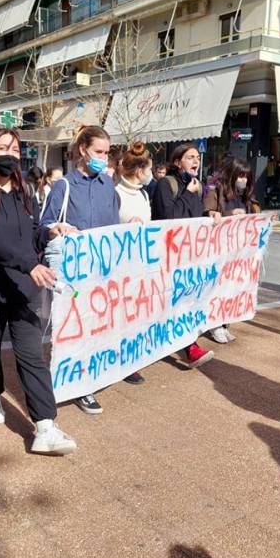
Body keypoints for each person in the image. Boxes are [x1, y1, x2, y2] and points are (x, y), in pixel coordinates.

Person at [0, 128, 77, 454]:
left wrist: (49, 232)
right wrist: (29, 264)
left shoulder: (24, 192)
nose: (9, 152)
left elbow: (29, 235)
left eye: (14, 147)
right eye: (3, 147)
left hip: (22, 286)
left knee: (31, 356)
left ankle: (45, 426)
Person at [40, 125, 121, 414]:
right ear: (83, 150)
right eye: (99, 152)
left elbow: (113, 226)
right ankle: (78, 384)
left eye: (107, 153)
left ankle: (90, 375)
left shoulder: (107, 185)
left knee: (98, 326)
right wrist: (57, 228)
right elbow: (44, 224)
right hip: (75, 273)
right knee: (75, 327)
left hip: (103, 270)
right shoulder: (64, 186)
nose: (103, 158)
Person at [152, 143, 215, 368]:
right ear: (178, 162)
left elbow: (192, 216)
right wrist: (188, 194)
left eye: (197, 157)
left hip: (189, 258)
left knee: (187, 302)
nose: (195, 161)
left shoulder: (194, 186)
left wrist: (208, 214)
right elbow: (169, 218)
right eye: (190, 157)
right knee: (168, 304)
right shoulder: (164, 185)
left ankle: (190, 346)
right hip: (169, 259)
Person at [203, 157, 261, 344]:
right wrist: (229, 215)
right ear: (232, 174)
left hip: (238, 253)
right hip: (219, 251)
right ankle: (215, 324)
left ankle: (225, 323)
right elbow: (207, 215)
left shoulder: (246, 196)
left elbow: (254, 217)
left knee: (232, 288)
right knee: (218, 288)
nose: (243, 180)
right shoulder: (215, 191)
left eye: (246, 176)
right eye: (240, 175)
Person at [114, 142, 154, 385]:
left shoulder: (143, 193)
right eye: (149, 168)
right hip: (120, 268)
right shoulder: (115, 194)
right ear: (140, 170)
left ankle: (131, 358)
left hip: (140, 264)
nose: (150, 173)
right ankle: (121, 361)